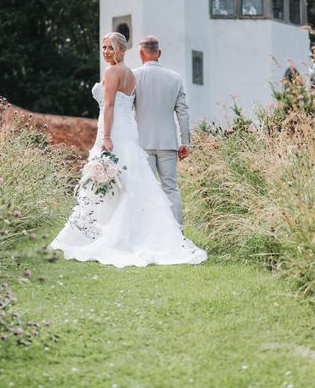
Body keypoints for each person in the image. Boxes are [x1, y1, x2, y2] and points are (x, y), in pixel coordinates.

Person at [48, 32, 207, 268]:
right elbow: (179, 110)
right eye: (103, 48)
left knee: (132, 188)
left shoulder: (126, 73)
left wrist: (109, 136)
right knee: (156, 189)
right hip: (153, 139)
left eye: (109, 48)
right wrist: (186, 140)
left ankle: (116, 233)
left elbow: (114, 105)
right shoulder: (148, 76)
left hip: (129, 136)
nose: (105, 52)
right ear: (158, 53)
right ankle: (173, 233)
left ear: (132, 52)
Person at [133, 35, 190, 228]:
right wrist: (186, 142)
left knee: (145, 190)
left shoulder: (134, 76)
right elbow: (183, 112)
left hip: (142, 143)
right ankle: (177, 233)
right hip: (168, 143)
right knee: (170, 189)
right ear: (159, 53)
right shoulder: (175, 78)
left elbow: (125, 109)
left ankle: (147, 233)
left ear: (141, 54)